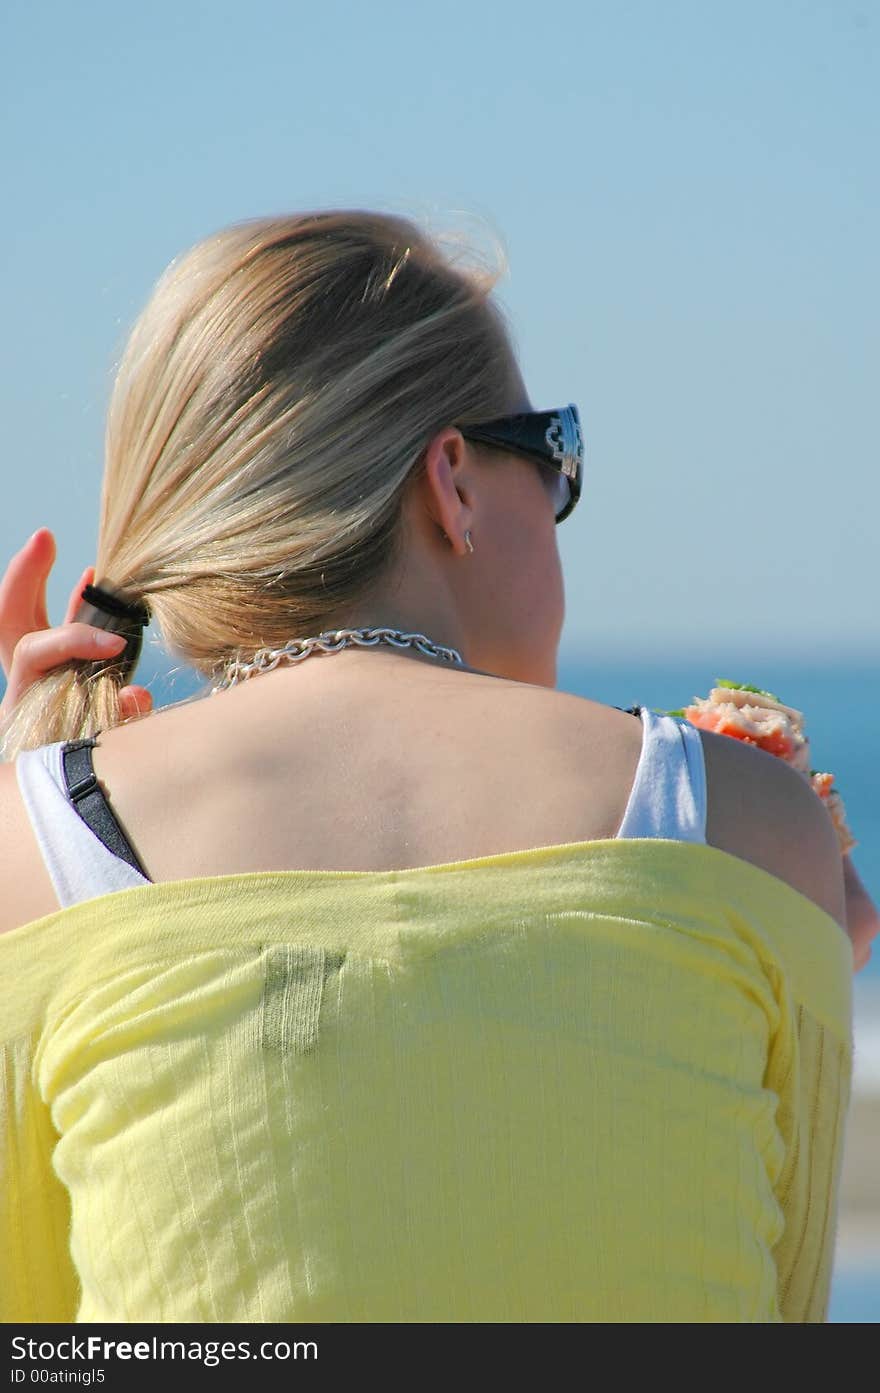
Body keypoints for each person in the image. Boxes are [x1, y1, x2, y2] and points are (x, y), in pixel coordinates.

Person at [0, 210, 875, 1324]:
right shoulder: (739, 815)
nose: (561, 509)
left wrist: (32, 791)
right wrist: (784, 901)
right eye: (555, 458)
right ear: (452, 480)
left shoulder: (36, 841)